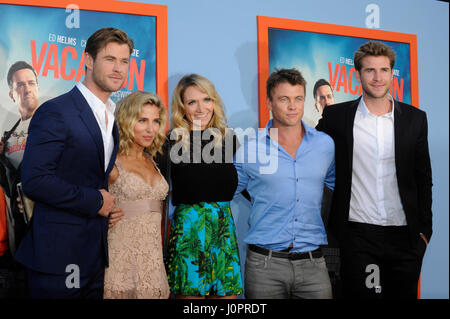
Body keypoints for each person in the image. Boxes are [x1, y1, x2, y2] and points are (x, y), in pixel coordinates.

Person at [14, 27, 134, 299]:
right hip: (57, 259)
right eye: (110, 59)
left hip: (93, 256)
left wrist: (104, 206)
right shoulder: (56, 111)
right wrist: (95, 201)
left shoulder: (111, 117)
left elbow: (89, 178)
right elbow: (35, 180)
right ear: (88, 60)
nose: (118, 68)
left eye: (124, 61)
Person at [316, 41, 432, 299]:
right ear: (358, 74)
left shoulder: (415, 119)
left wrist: (424, 232)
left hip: (406, 238)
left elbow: (424, 178)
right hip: (358, 237)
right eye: (370, 70)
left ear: (392, 73)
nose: (377, 77)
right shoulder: (337, 116)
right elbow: (306, 152)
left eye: (384, 70)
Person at [234, 68, 335, 299]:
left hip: (313, 265)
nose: (292, 106)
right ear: (269, 102)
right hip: (264, 266)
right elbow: (224, 193)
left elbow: (339, 187)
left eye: (298, 98)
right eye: (284, 99)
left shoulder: (325, 145)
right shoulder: (250, 150)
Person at [166, 74, 243, 299]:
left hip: (223, 233)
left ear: (214, 102)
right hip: (188, 235)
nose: (201, 108)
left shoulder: (229, 139)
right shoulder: (171, 142)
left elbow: (248, 184)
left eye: (206, 99)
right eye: (192, 102)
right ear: (182, 108)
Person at [103, 91, 170, 299]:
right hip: (120, 262)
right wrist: (101, 218)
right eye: (142, 120)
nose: (151, 129)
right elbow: (83, 200)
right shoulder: (111, 162)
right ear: (125, 120)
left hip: (153, 262)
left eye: (155, 121)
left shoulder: (154, 159)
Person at [0, 61, 40, 297]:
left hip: (44, 228)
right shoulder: (9, 135)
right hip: (16, 234)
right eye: (20, 85)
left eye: (31, 83)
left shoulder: (52, 124)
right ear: (11, 93)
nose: (27, 89)